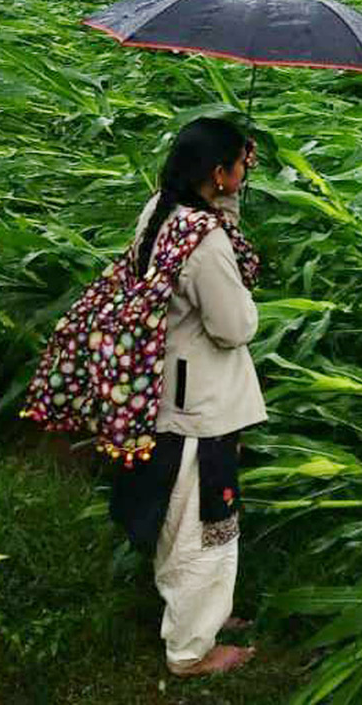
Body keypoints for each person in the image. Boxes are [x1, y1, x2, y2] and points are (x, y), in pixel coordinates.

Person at [109, 117, 267, 677]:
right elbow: (235, 326)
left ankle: (199, 611)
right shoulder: (206, 243)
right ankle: (191, 651)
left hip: (162, 390)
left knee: (178, 517)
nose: (247, 172)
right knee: (206, 527)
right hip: (201, 402)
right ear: (219, 174)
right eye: (241, 166)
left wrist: (225, 213)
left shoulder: (161, 210)